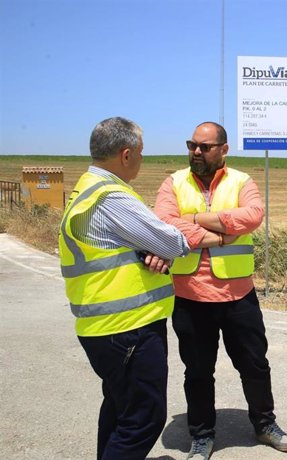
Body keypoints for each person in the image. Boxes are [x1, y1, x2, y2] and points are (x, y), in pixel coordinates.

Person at [154, 121, 287, 459]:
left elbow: (253, 215)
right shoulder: (173, 182)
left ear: (223, 149)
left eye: (204, 147)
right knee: (199, 372)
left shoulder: (241, 181)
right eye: (192, 145)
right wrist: (219, 234)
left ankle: (264, 424)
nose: (196, 152)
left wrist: (196, 218)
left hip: (239, 296)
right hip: (190, 297)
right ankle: (202, 435)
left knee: (254, 365)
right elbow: (164, 222)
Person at [58, 117, 190, 459]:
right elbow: (174, 242)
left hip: (102, 327)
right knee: (143, 419)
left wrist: (147, 248)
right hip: (128, 328)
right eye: (142, 153)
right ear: (126, 154)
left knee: (119, 409)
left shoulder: (85, 188)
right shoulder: (112, 197)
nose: (144, 160)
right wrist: (161, 245)